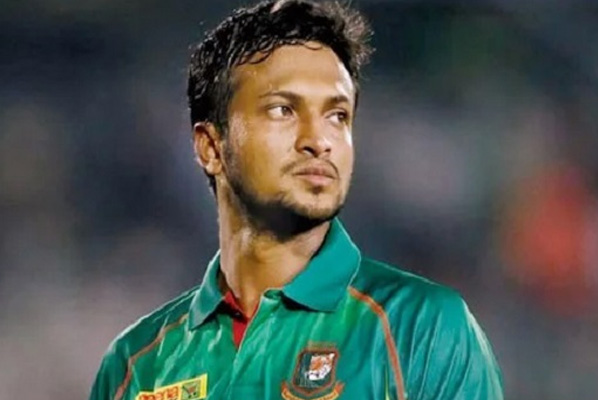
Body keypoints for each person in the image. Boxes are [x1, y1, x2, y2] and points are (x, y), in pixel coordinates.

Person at [89, 1, 504, 399]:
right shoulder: (136, 364)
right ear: (211, 147)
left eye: (337, 115)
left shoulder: (422, 329)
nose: (319, 140)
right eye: (283, 110)